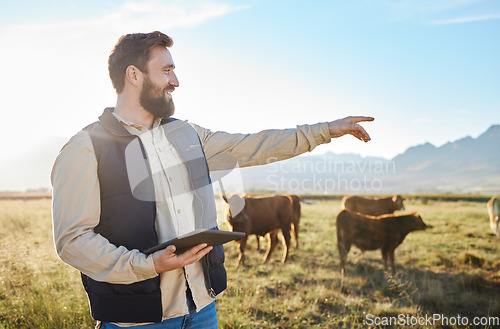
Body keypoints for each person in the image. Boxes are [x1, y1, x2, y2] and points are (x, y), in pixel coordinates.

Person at [51, 31, 373, 329]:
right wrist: (147, 265)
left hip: (203, 308)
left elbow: (253, 145)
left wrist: (325, 130)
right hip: (138, 320)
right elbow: (73, 240)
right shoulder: (85, 149)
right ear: (133, 74)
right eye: (166, 70)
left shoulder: (188, 135)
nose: (175, 81)